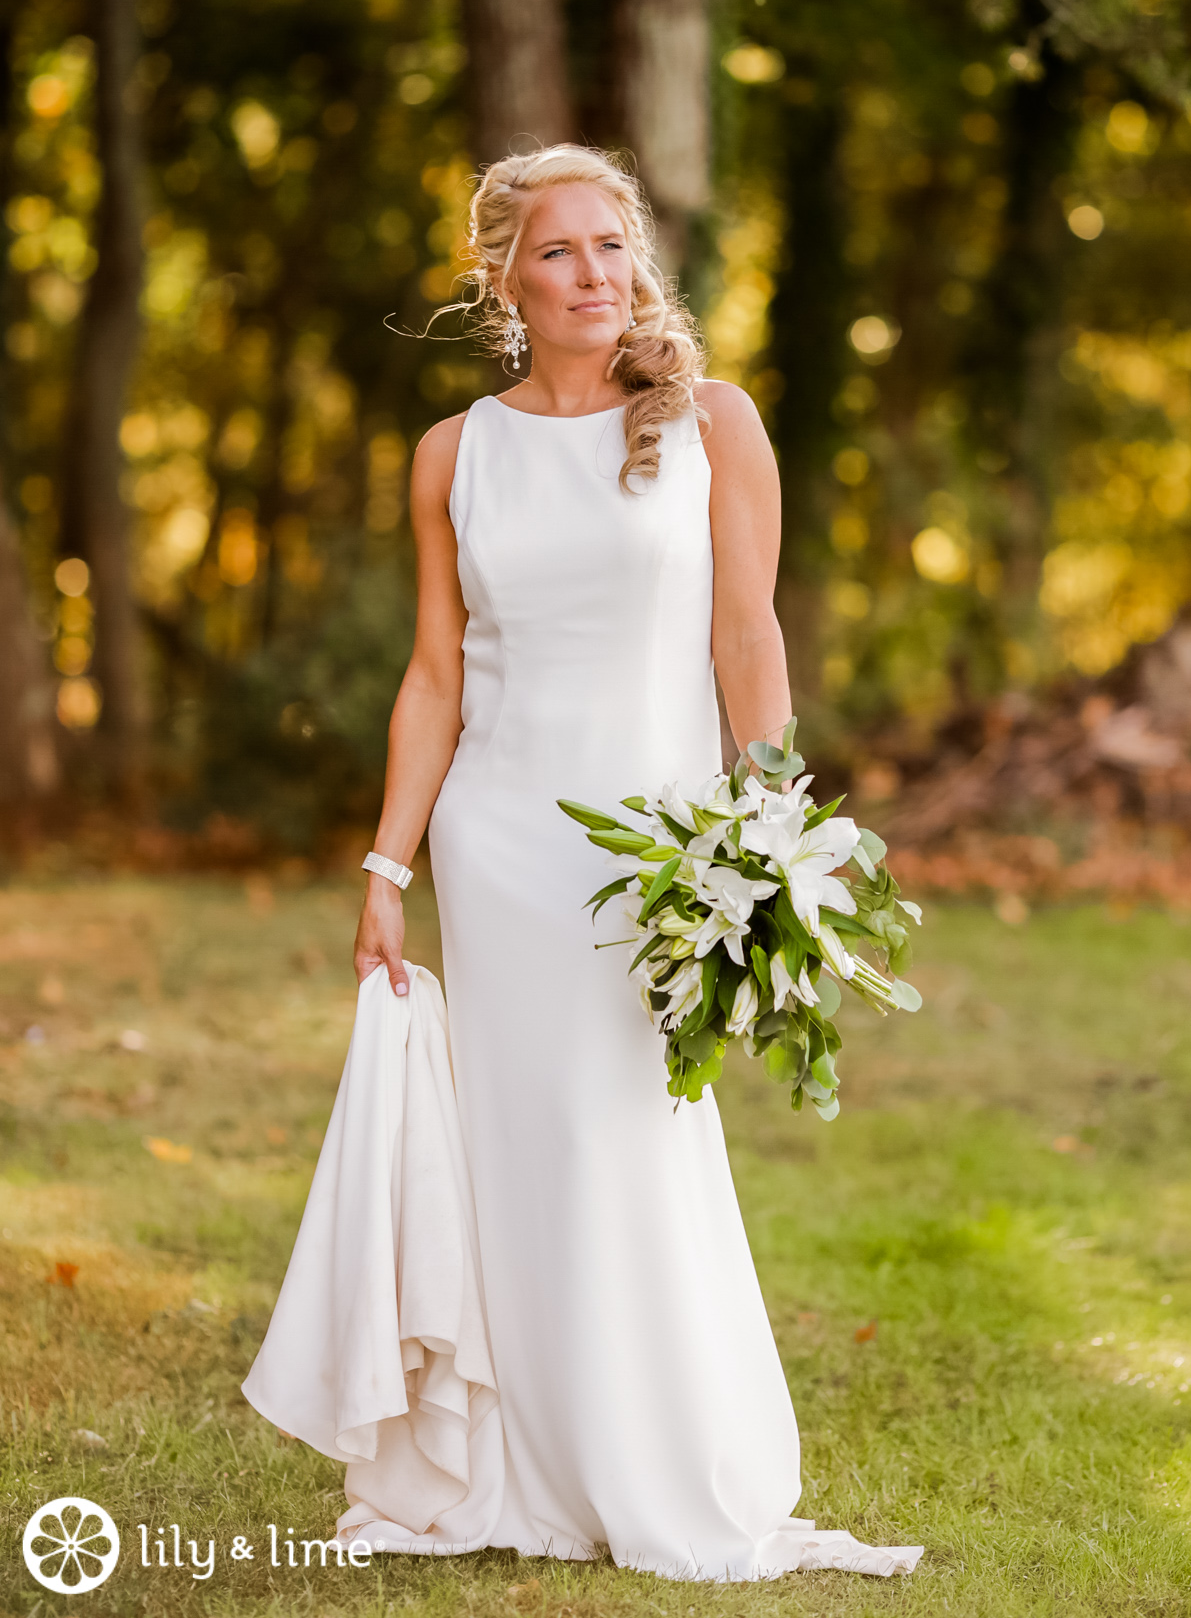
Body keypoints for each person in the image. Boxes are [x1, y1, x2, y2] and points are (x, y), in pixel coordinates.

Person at [242, 143, 921, 1582]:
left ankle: (655, 1457)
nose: (592, 274)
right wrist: (386, 861)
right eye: (558, 252)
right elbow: (436, 675)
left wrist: (771, 821)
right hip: (498, 846)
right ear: (501, 277)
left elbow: (749, 640)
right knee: (518, 1144)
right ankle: (513, 1460)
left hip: (663, 855)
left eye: (612, 246)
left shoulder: (713, 423)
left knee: (629, 1133)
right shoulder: (453, 453)